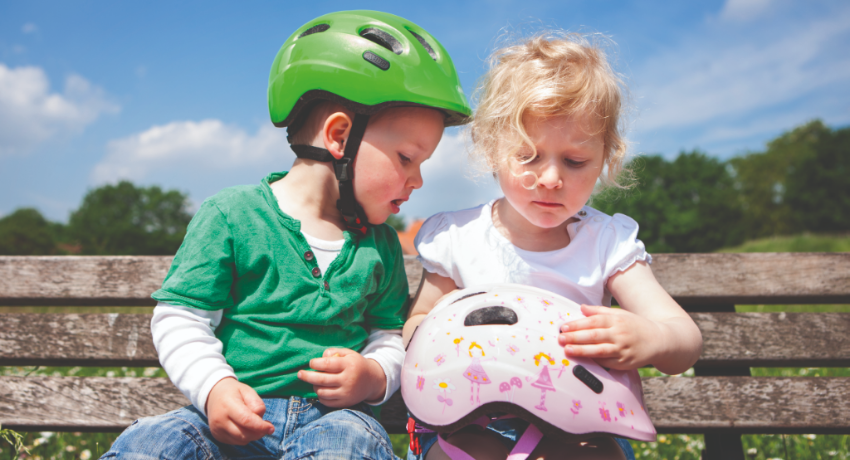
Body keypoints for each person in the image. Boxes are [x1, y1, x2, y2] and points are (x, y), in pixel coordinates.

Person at [101, 10, 470, 460]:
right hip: (231, 419)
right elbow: (182, 318)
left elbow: (388, 335)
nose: (418, 180)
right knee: (154, 441)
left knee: (349, 443)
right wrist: (215, 388)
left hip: (332, 421)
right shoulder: (232, 215)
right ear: (340, 136)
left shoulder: (381, 246)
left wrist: (374, 374)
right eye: (407, 158)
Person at [402, 31, 703, 460]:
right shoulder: (458, 238)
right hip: (469, 419)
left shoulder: (606, 244)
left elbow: (684, 339)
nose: (550, 179)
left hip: (580, 427)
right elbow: (419, 321)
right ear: (491, 149)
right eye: (528, 155)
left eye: (575, 161)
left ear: (606, 157)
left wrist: (651, 337)